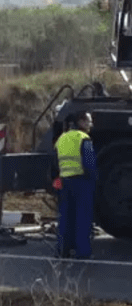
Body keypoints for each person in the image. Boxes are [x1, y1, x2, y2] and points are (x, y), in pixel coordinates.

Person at [54, 111, 97, 259]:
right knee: (83, 218)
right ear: (81, 122)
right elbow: (89, 164)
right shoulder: (83, 139)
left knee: (65, 217)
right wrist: (94, 181)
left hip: (65, 182)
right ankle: (82, 252)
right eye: (88, 121)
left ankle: (62, 250)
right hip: (81, 182)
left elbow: (54, 164)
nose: (90, 125)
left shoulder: (61, 139)